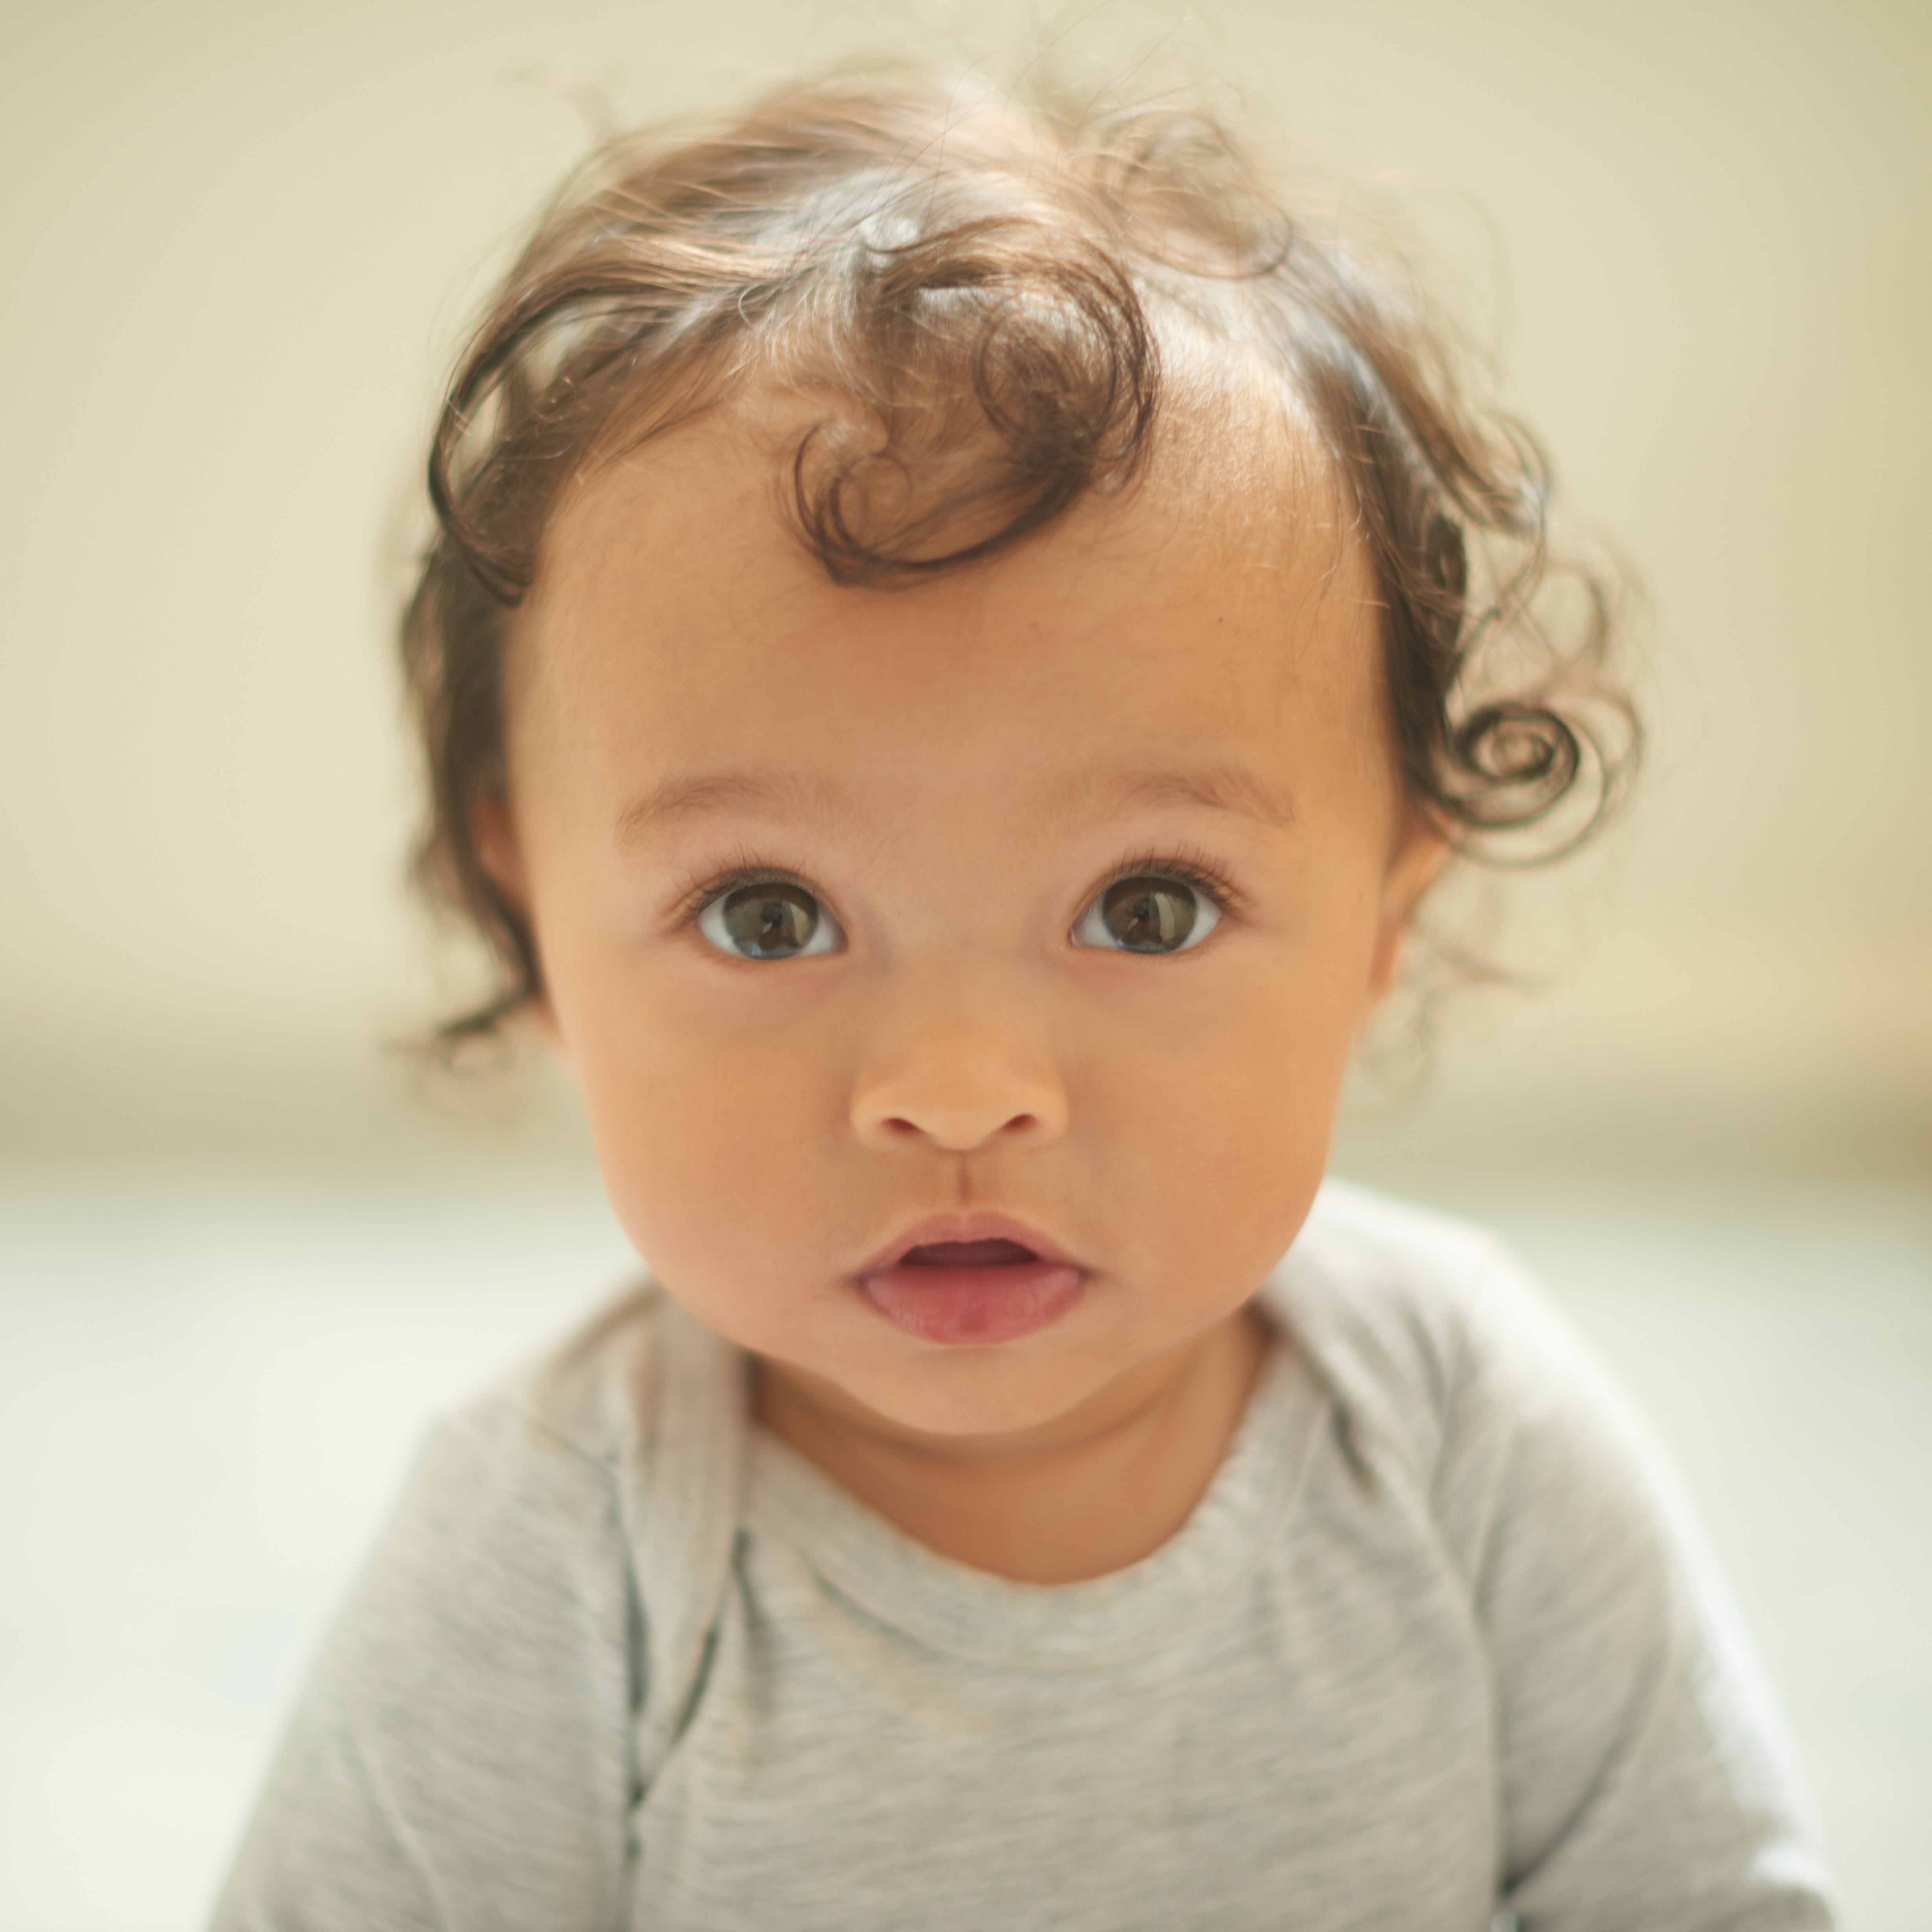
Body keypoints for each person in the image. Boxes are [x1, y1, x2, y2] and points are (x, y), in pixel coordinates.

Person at [211, 65, 1836, 1930]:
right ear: (538, 932)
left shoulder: (1466, 1432)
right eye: (765, 914)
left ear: (1387, 913)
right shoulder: (560, 1554)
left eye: (1148, 907)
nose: (961, 1087)